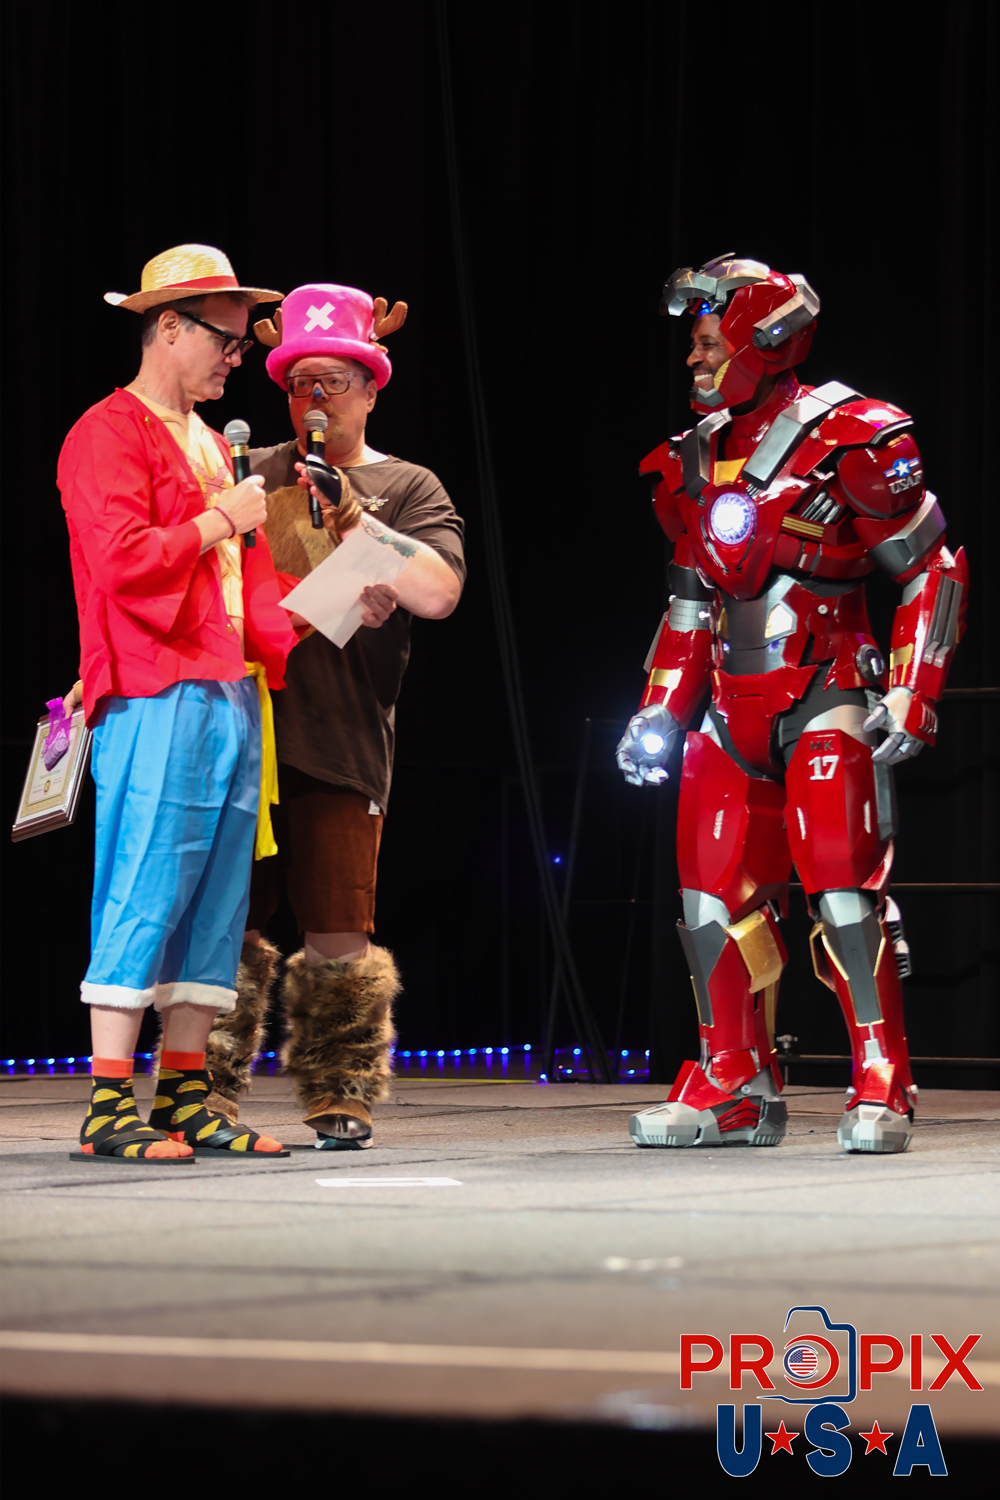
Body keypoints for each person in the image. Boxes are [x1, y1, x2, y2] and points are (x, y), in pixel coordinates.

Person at [617, 254, 967, 1155]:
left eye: (708, 342)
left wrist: (912, 687)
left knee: (842, 890)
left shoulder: (855, 436)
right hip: (726, 706)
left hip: (826, 690)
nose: (694, 360)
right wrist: (660, 707)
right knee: (709, 898)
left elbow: (929, 566)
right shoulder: (690, 460)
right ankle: (733, 1079)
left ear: (762, 340)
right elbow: (688, 603)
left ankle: (881, 1075)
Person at [198, 283, 465, 1150]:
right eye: (298, 383)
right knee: (224, 926)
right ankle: (203, 1092)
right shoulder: (247, 469)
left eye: (334, 382)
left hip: (341, 738)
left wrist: (357, 526)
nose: (314, 399)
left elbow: (439, 593)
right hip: (240, 728)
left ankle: (339, 1092)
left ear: (372, 387)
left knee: (337, 931)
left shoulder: (406, 485)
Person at [58, 244, 299, 1163]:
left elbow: (240, 582)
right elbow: (121, 560)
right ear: (168, 327)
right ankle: (108, 1103)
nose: (235, 358)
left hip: (230, 686)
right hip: (155, 685)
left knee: (217, 901)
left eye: (239, 345)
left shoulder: (207, 439)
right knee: (145, 883)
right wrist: (218, 519)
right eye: (225, 341)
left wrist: (329, 606)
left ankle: (186, 1094)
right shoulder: (105, 432)